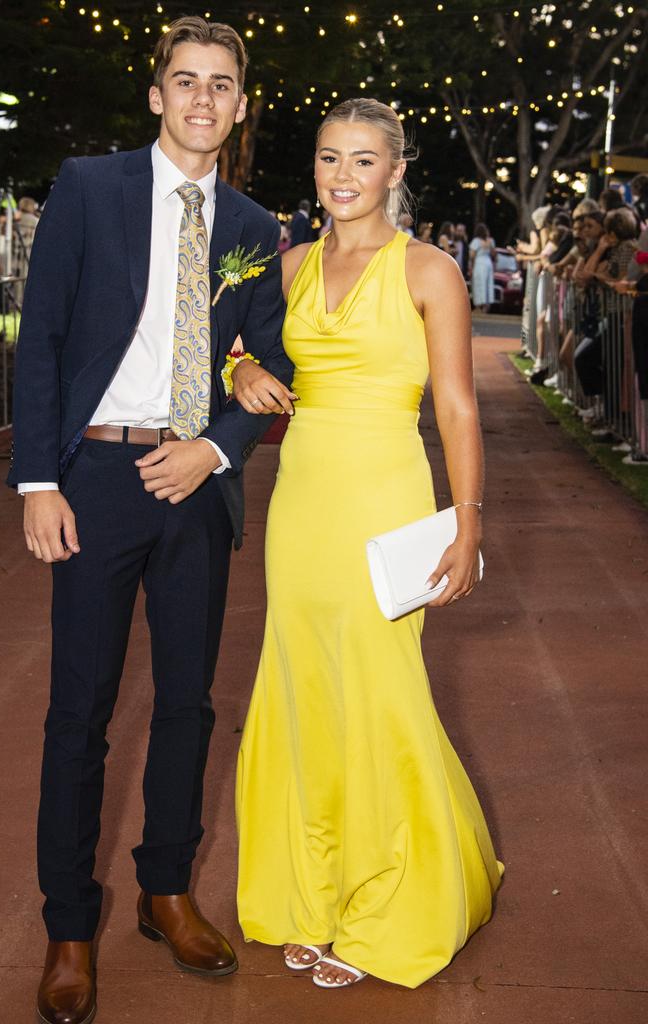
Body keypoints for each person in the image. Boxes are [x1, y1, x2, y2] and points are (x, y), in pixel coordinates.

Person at [9, 17, 294, 1024]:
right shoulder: (90, 188)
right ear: (156, 96)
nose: (204, 99)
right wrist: (36, 480)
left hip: (195, 485)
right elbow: (40, 336)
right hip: (93, 473)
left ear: (241, 104)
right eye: (186, 81)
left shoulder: (257, 229)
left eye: (222, 84)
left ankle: (166, 890)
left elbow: (268, 361)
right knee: (77, 711)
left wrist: (215, 446)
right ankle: (69, 926)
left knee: (187, 704)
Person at [232, 97, 502, 990]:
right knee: (303, 685)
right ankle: (312, 896)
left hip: (385, 491)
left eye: (360, 161)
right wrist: (247, 368)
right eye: (326, 159)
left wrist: (468, 522)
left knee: (379, 690)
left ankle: (393, 898)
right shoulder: (291, 263)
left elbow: (457, 406)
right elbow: (233, 345)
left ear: (395, 172)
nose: (340, 177)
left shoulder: (431, 271)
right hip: (302, 496)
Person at [469, 222, 496, 313]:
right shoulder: (490, 241)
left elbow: (472, 255)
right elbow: (494, 254)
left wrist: (471, 266)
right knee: (487, 283)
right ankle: (486, 305)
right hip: (488, 262)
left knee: (479, 283)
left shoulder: (476, 241)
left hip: (479, 263)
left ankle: (479, 304)